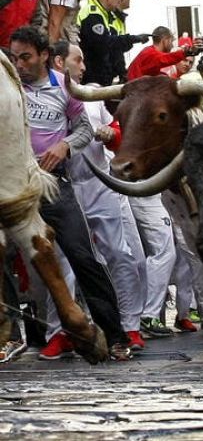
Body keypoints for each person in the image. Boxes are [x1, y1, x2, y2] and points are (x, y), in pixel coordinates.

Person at [9, 26, 131, 360]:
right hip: (14, 185)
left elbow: (84, 129)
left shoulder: (64, 86)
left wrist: (64, 145)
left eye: (26, 57)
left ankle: (116, 336)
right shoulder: (8, 86)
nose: (19, 64)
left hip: (53, 184)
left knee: (82, 256)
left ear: (45, 55)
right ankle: (11, 336)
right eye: (14, 58)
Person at [51, 40, 149, 352]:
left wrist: (112, 134)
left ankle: (130, 325)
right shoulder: (41, 95)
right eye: (77, 60)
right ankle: (61, 332)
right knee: (61, 261)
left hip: (100, 184)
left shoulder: (93, 95)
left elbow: (120, 132)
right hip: (64, 185)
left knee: (119, 253)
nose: (83, 67)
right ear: (58, 62)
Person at [77, 0, 149, 86]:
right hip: (91, 77)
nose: (119, 0)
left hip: (99, 76)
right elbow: (105, 43)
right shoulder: (93, 14)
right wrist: (134, 39)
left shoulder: (102, 14)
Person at [126, 26, 200, 80]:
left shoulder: (149, 51)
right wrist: (187, 52)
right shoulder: (150, 53)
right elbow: (166, 58)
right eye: (171, 41)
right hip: (137, 92)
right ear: (165, 40)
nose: (172, 45)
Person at [109, 0, 136, 85]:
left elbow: (119, 46)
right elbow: (113, 47)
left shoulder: (118, 18)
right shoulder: (111, 17)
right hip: (105, 74)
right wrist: (122, 73)